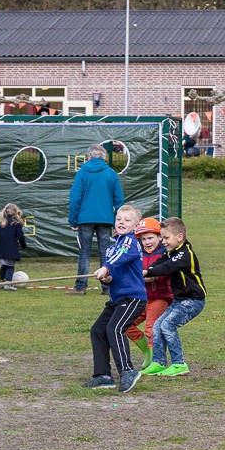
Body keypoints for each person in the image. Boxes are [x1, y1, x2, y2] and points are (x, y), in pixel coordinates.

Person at [81, 205, 147, 393]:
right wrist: (108, 277)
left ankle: (127, 371)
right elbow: (115, 270)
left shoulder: (131, 242)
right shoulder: (113, 247)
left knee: (115, 328)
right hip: (117, 299)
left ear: (135, 226)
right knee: (98, 330)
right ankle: (103, 376)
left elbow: (121, 256)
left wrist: (106, 267)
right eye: (119, 219)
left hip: (133, 297)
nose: (121, 223)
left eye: (127, 220)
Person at [141, 217, 207, 378]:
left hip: (193, 300)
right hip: (180, 301)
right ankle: (158, 362)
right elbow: (159, 262)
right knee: (157, 325)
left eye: (166, 238)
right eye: (162, 238)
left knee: (167, 326)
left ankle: (179, 364)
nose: (163, 241)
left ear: (179, 237)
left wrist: (148, 273)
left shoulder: (185, 254)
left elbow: (167, 267)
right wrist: (148, 270)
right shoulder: (171, 252)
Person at [67, 144, 124, 296]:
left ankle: (80, 287)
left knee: (84, 252)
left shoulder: (82, 173)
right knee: (106, 253)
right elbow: (119, 200)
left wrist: (73, 220)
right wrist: (119, 222)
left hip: (85, 218)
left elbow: (75, 199)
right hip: (106, 219)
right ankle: (107, 287)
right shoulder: (111, 174)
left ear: (89, 156)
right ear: (104, 157)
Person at [124, 217, 173, 370]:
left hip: (160, 298)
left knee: (151, 328)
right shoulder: (138, 255)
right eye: (143, 239)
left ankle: (156, 361)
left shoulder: (165, 254)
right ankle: (148, 352)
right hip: (141, 299)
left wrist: (149, 276)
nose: (147, 242)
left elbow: (165, 272)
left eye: (151, 237)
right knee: (126, 325)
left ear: (159, 237)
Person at [0, 203, 28, 291]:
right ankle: (8, 284)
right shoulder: (17, 224)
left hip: (0, 250)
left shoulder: (1, 223)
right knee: (10, 267)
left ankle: (1, 282)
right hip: (11, 250)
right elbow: (21, 236)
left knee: (4, 266)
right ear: (16, 212)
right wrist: (24, 245)